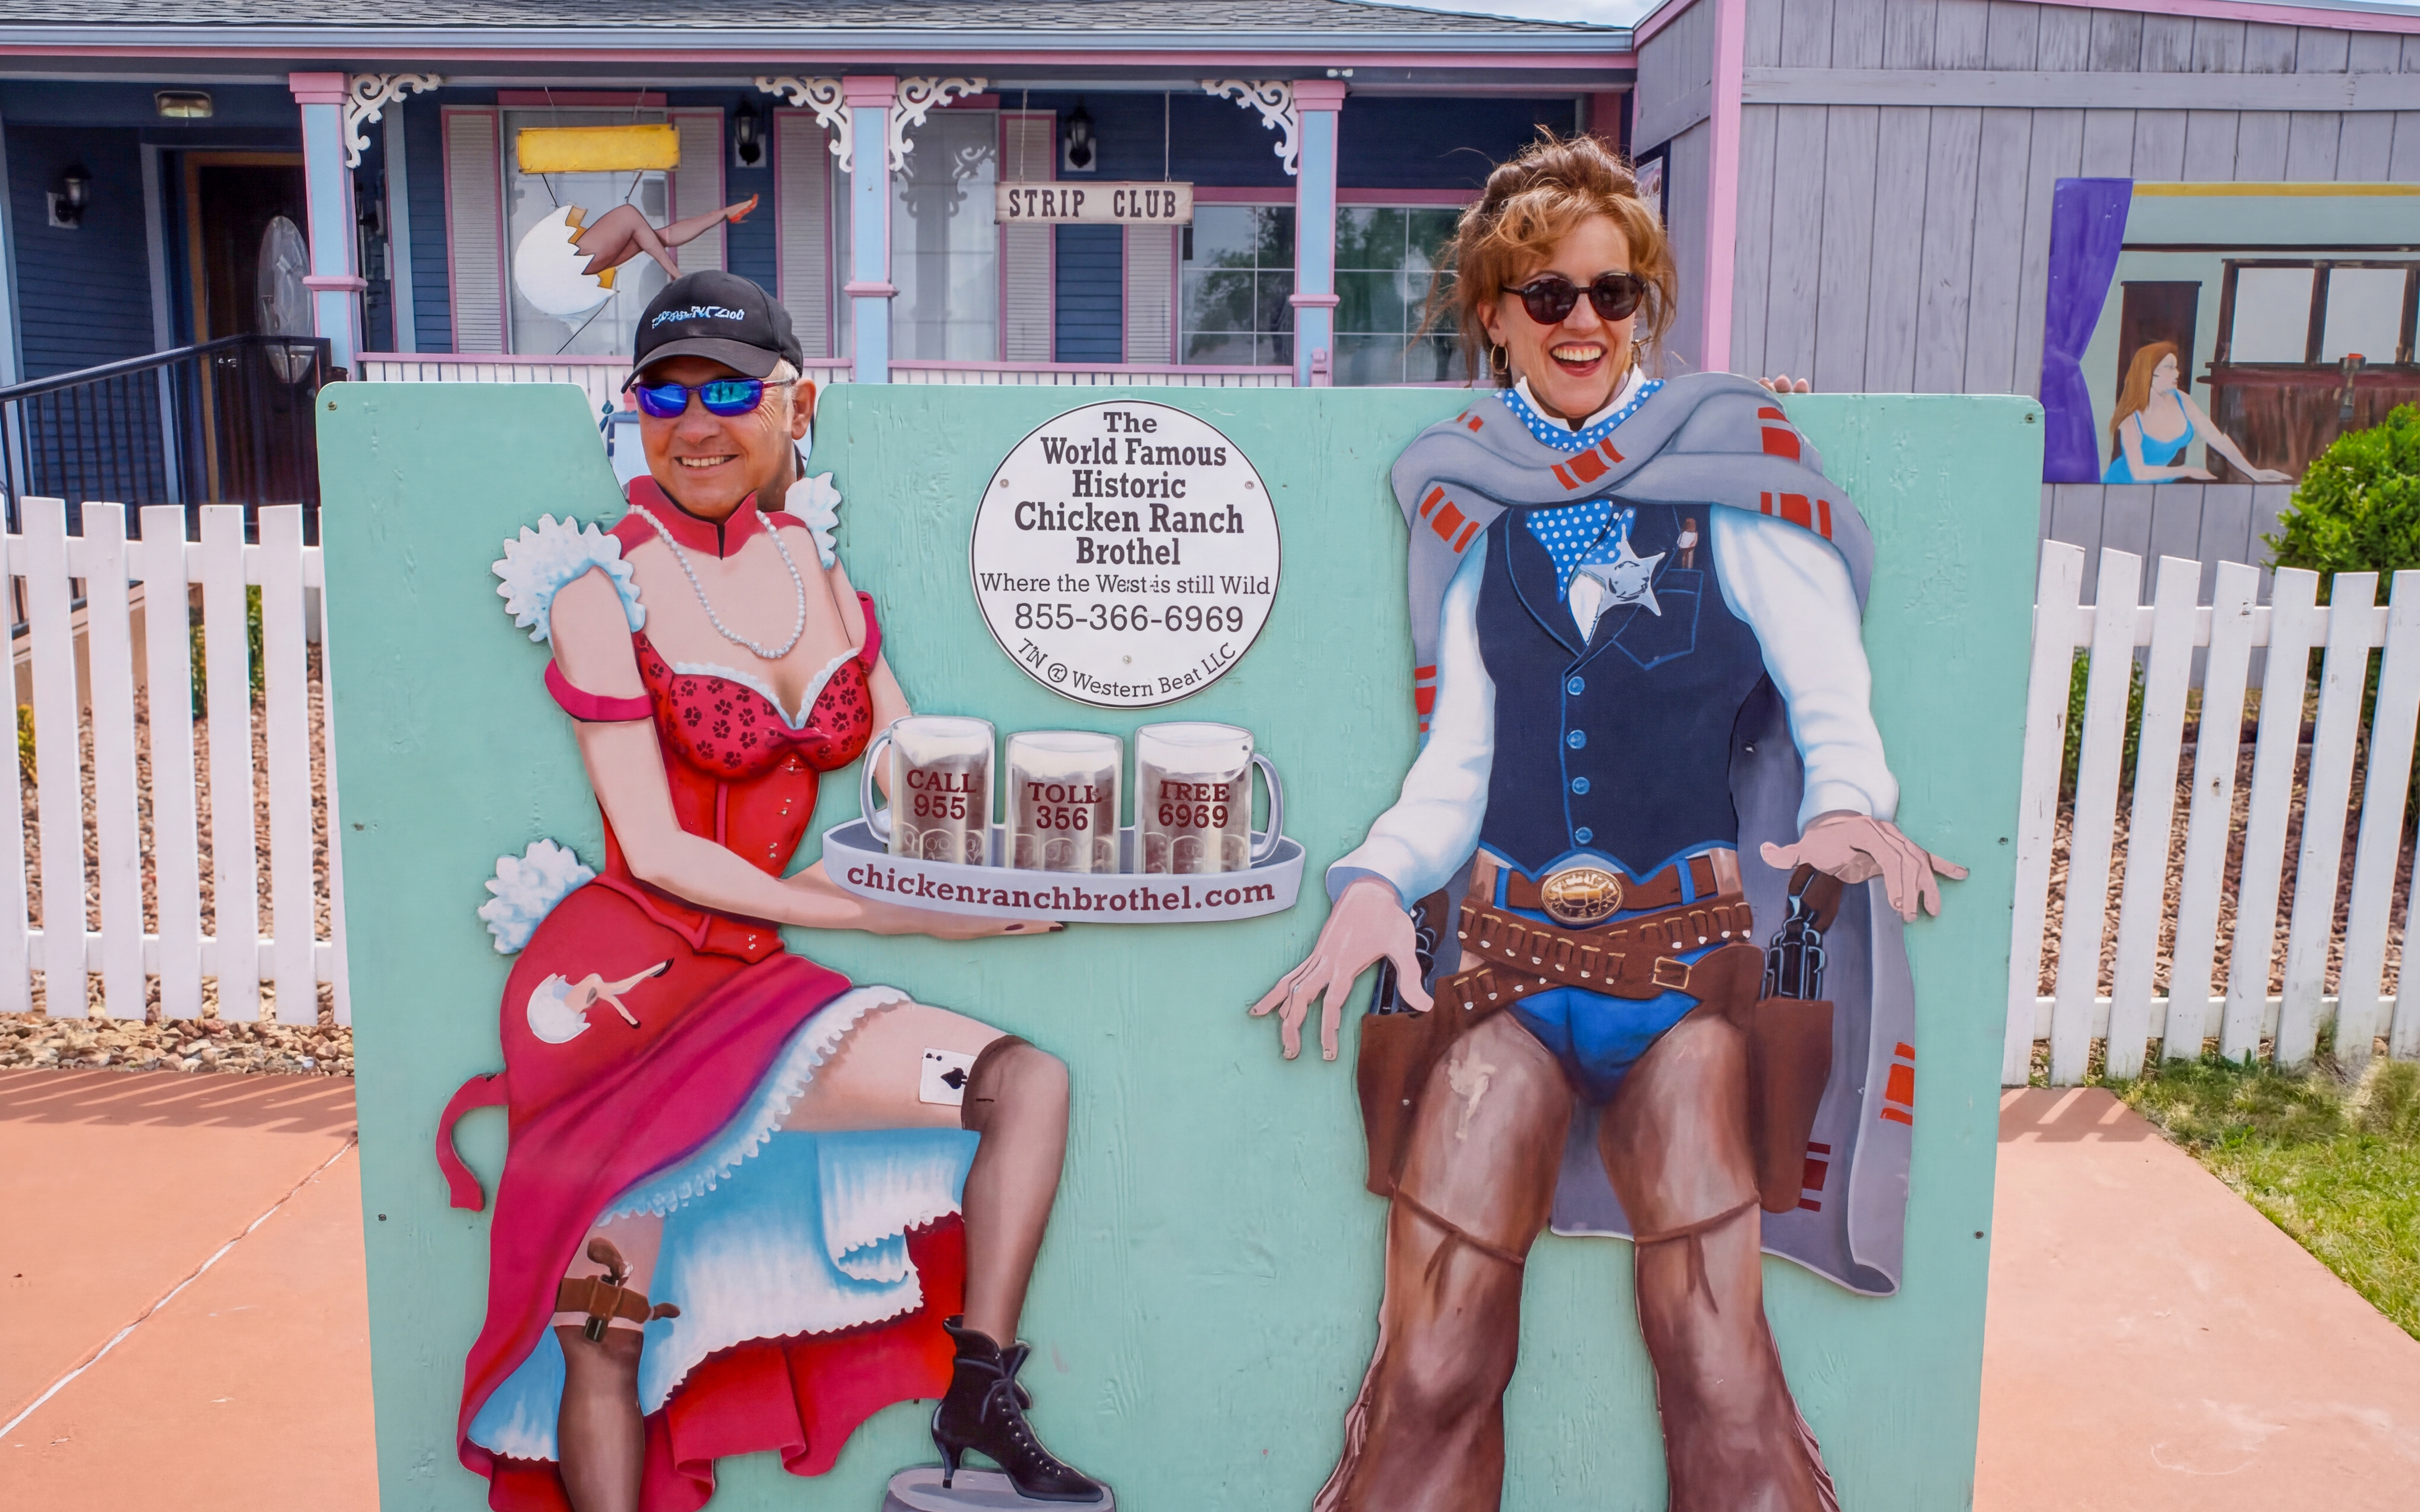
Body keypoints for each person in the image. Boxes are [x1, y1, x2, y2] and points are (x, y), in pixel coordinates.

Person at [1250, 134, 1964, 1511]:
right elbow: (1458, 761)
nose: (1583, 321)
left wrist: (1849, 815)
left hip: (1686, 974)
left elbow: (1834, 707)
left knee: (1712, 1354)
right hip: (1505, 970)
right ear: (1495, 315)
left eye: (1613, 292)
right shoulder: (1473, 504)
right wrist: (1371, 883)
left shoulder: (1737, 478)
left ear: (1650, 303)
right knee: (1437, 1355)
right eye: (1547, 294)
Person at [438, 271, 1106, 1512]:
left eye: (730, 390)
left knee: (1026, 1082)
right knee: (603, 1321)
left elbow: (913, 786)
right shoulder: (601, 587)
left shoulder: (822, 573)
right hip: (623, 997)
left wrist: (1029, 863)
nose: (694, 422)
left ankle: (979, 1387)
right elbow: (655, 848)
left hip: (764, 990)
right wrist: (891, 912)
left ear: (796, 402)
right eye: (662, 394)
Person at [514, 196, 761, 320]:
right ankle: (676, 275)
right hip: (566, 262)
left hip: (570, 267)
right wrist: (676, 275)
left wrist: (723, 213)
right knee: (629, 215)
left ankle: (726, 213)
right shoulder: (543, 253)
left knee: (655, 238)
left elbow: (667, 236)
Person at [2102, 342, 2288, 484]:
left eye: (2176, 367)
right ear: (2151, 373)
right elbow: (2139, 473)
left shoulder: (2182, 400)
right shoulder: (2132, 421)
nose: (2178, 373)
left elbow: (2218, 439)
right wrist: (2187, 470)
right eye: (2170, 367)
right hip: (2120, 486)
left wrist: (2254, 472)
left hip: (2159, 487)